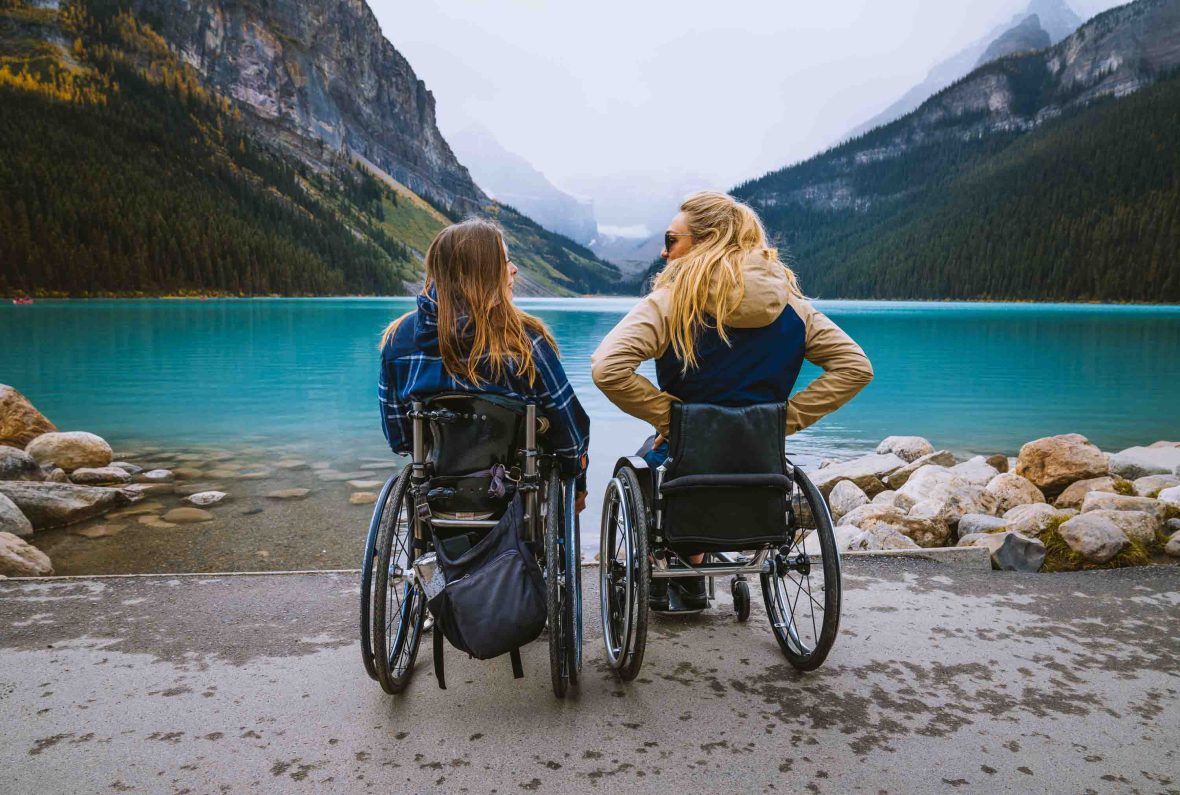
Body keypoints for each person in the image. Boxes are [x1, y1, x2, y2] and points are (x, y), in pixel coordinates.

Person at [591, 191, 872, 610]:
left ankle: (684, 575)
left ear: (706, 241)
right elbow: (855, 368)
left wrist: (674, 419)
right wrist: (782, 421)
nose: (664, 253)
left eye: (671, 241)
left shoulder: (670, 303)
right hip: (760, 458)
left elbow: (606, 368)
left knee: (645, 467)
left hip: (687, 455)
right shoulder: (791, 306)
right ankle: (707, 560)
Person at [379, 218, 589, 510]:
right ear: (484, 274)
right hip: (513, 498)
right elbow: (569, 433)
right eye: (505, 262)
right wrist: (577, 476)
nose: (514, 269)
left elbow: (400, 439)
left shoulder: (398, 341)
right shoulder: (525, 342)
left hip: (438, 494)